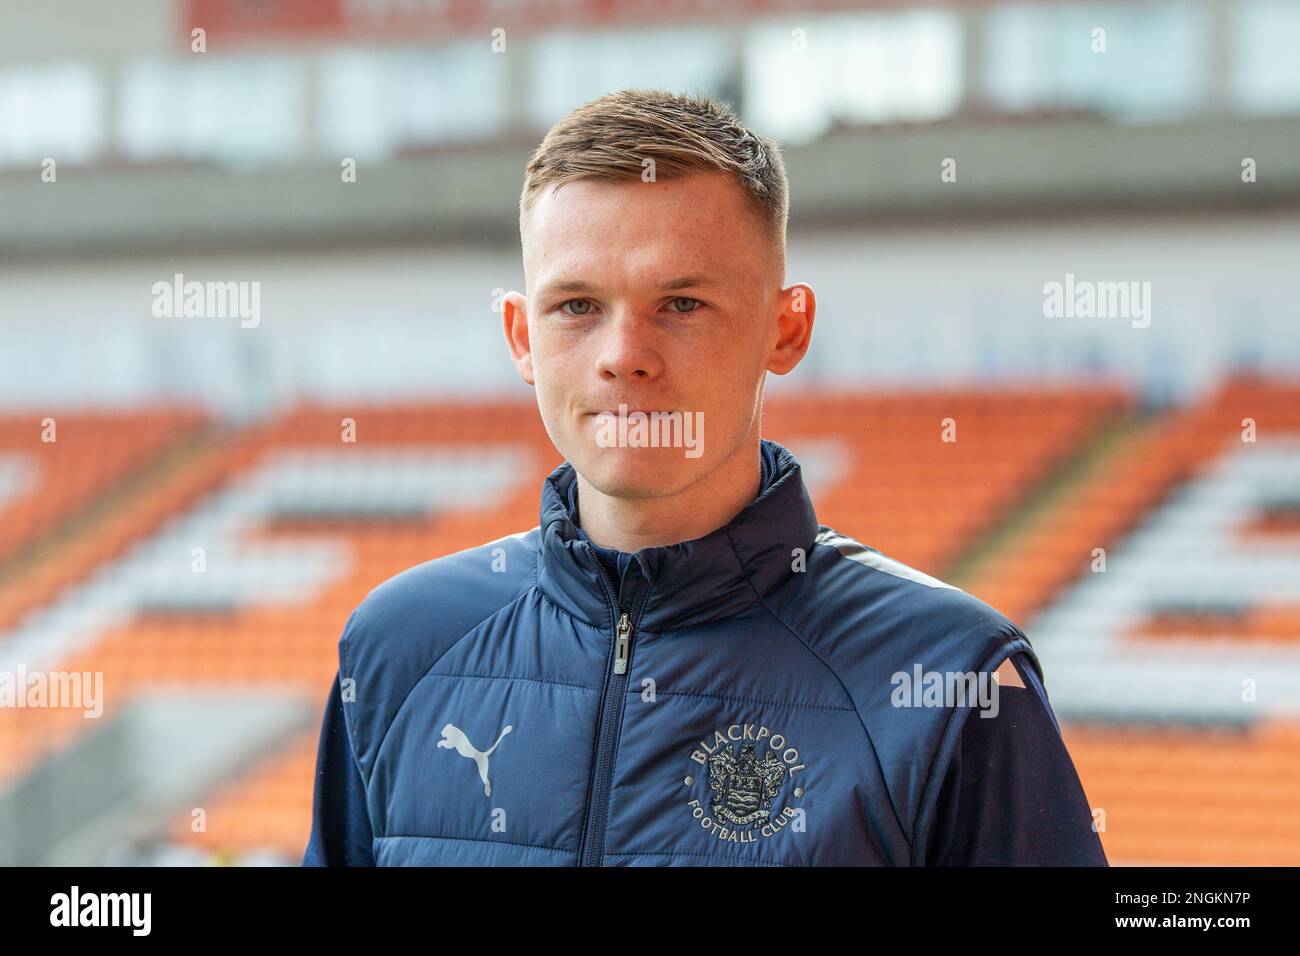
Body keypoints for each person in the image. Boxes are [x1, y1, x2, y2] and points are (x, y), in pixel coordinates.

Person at [303, 89, 1107, 866]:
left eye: (681, 304)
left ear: (785, 329)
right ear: (522, 336)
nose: (624, 354)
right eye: (577, 306)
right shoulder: (398, 648)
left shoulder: (950, 677)